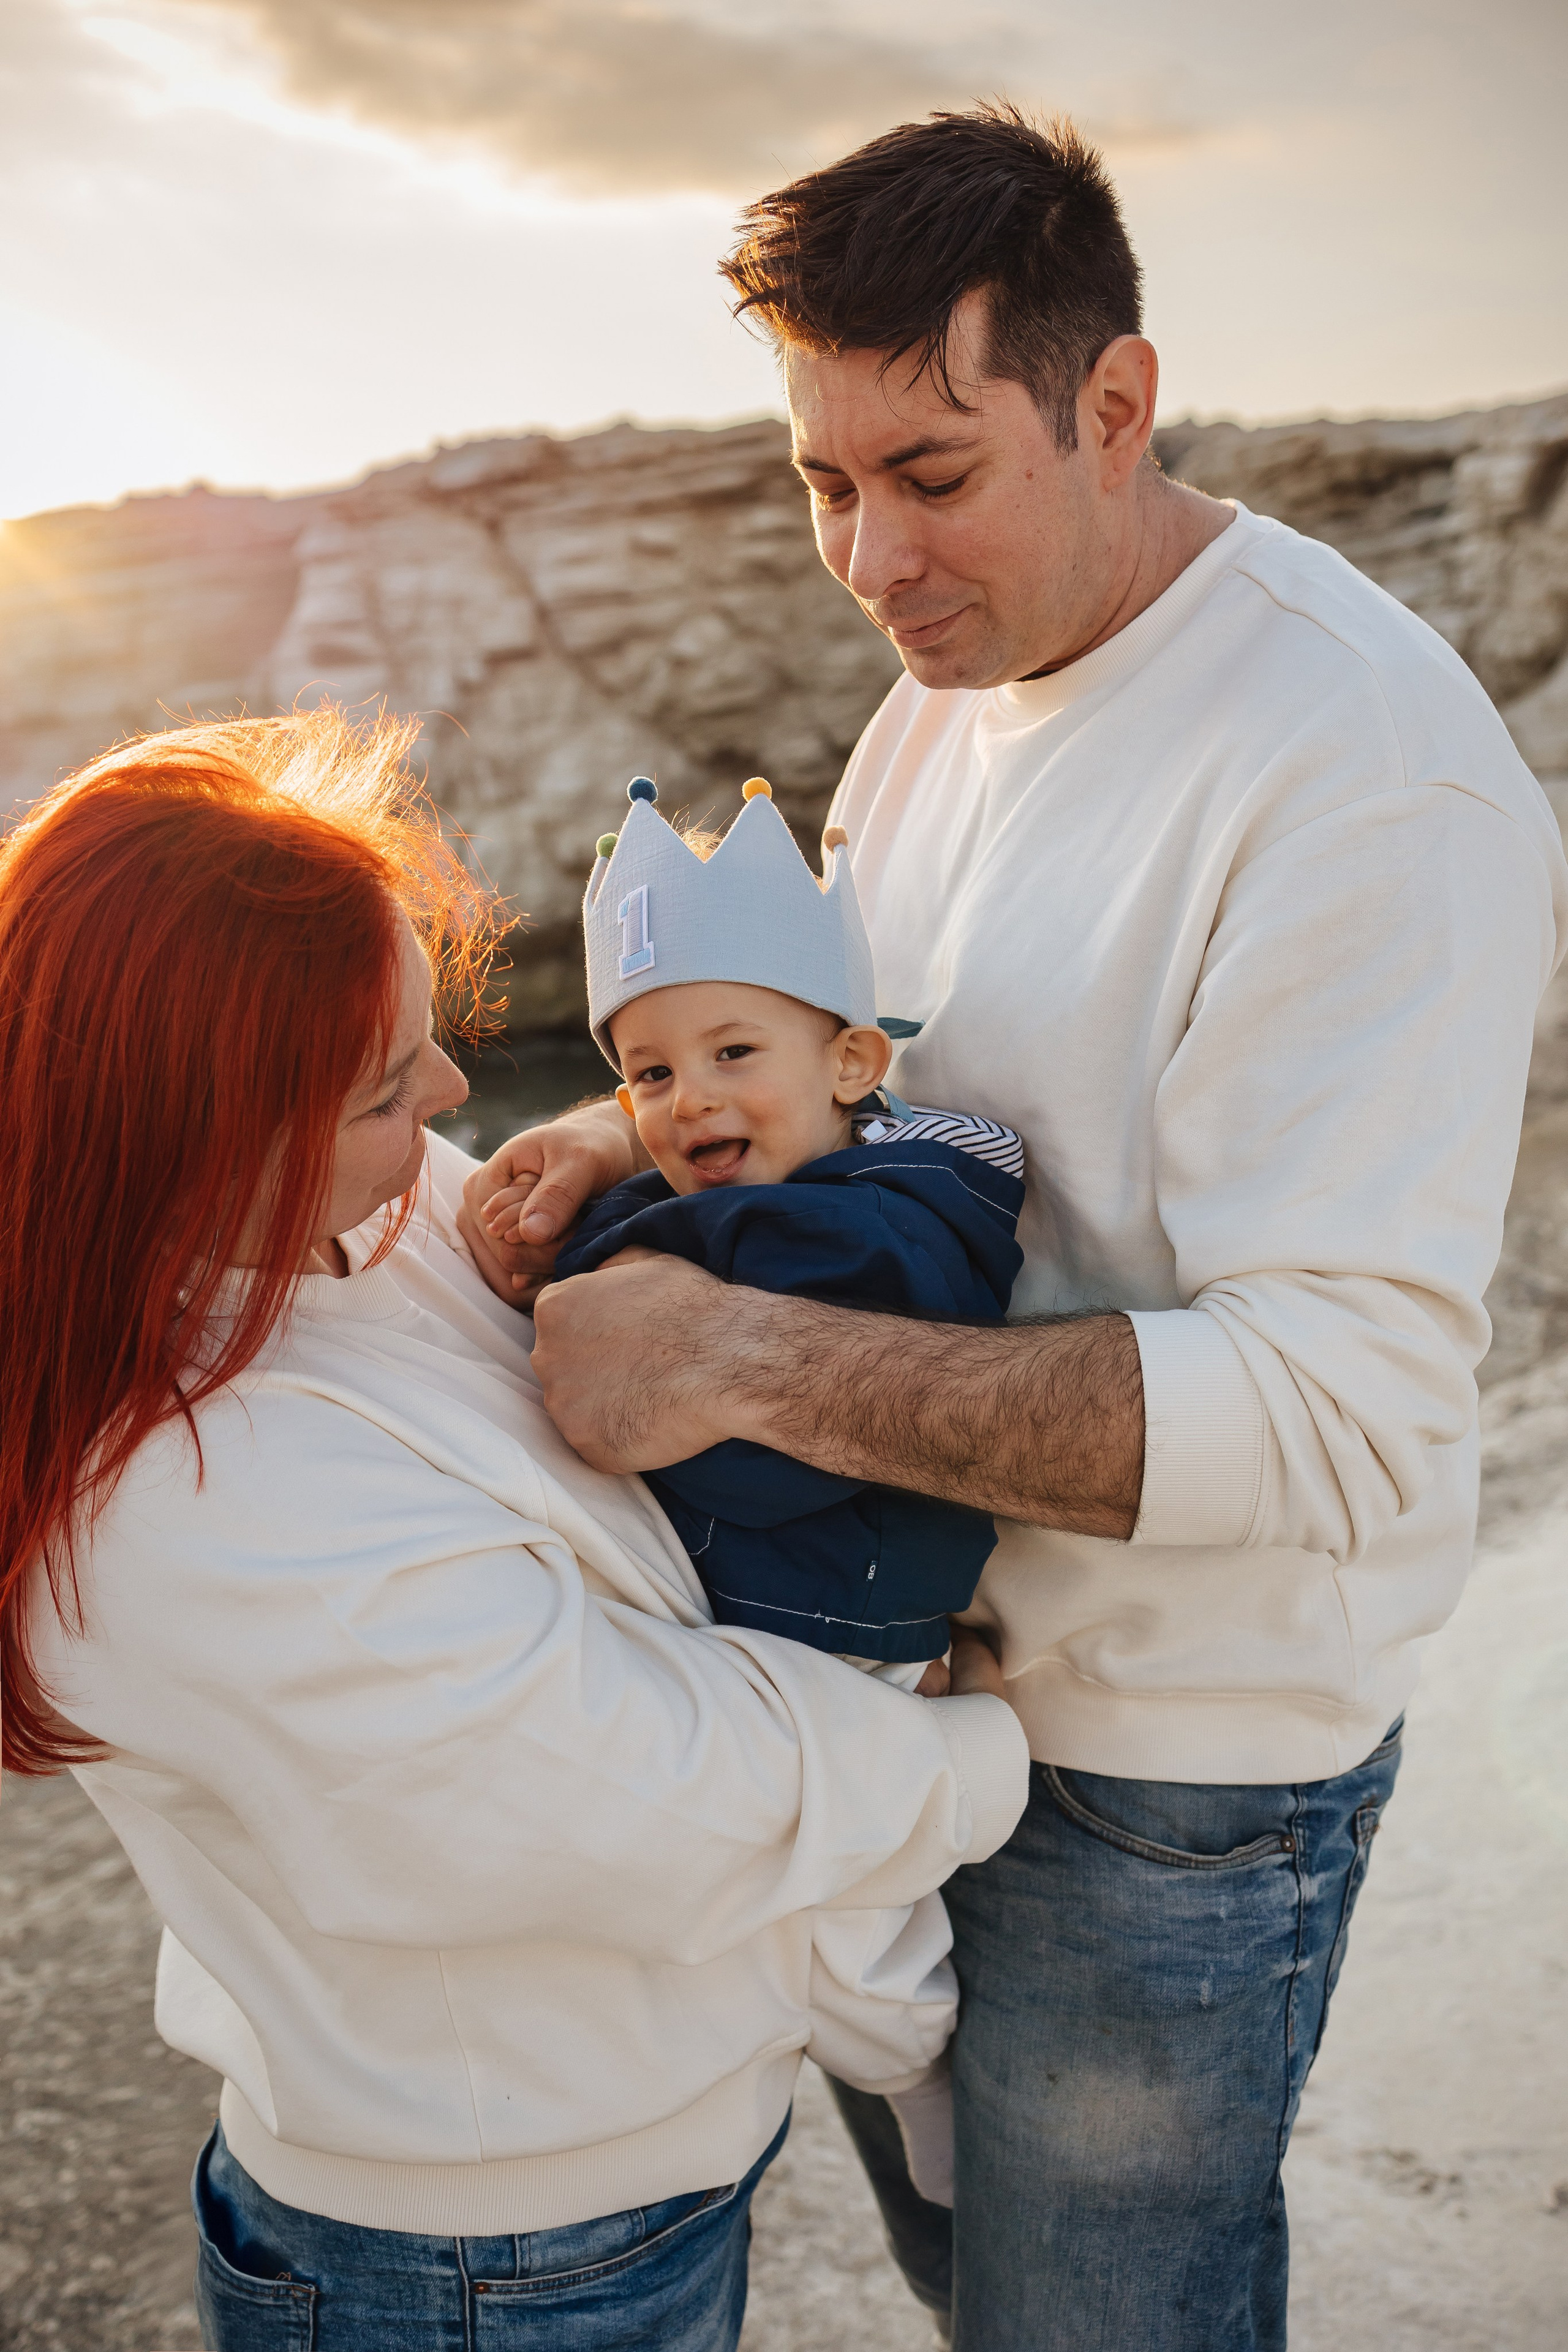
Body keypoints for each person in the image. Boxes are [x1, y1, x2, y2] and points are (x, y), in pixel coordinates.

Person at [457, 104, 1568, 2352]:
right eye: (824, 483)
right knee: (991, 2296)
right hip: (905, 1703)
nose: (869, 559)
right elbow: (879, 1072)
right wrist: (619, 1131)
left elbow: (1344, 1414)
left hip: (1163, 1781)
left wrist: (736, 1360)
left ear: (1116, 403)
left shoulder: (1367, 773)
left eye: (932, 474)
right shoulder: (947, 692)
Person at [0, 709, 1030, 2351]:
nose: (453, 1092)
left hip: (603, 2170)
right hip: (488, 2257)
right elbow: (647, 1799)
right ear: (199, 1133)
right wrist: (977, 1750)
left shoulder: (350, 1214)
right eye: (385, 1087)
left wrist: (625, 1125)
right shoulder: (181, 1505)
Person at [521, 771, 1023, 1687]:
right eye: (652, 1075)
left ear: (850, 1064)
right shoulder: (760, 1192)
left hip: (826, 1627)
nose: (690, 1098)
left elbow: (781, 1450)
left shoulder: (867, 1235)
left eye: (734, 1052)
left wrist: (611, 1297)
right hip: (759, 1613)